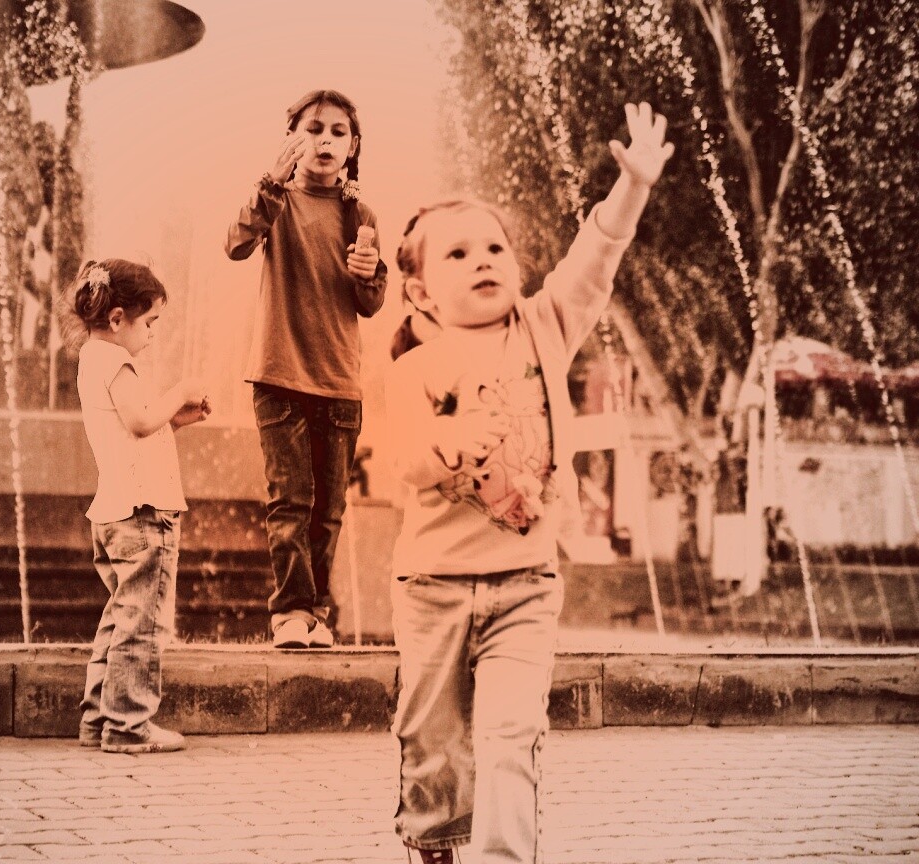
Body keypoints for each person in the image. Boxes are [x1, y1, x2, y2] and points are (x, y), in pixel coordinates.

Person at [384, 102, 674, 863]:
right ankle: (434, 844)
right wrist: (449, 444)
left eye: (494, 248)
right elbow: (402, 462)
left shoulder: (545, 327)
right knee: (433, 749)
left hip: (526, 584)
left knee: (510, 737)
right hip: (432, 587)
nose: (483, 261)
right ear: (419, 292)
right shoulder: (413, 370)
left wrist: (634, 186)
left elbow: (595, 257)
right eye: (456, 254)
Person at [225, 89, 388, 649]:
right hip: (279, 375)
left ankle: (316, 613)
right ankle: (289, 612)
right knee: (290, 500)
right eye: (313, 129)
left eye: (338, 132)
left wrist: (369, 274)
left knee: (330, 509)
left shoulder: (360, 214)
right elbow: (236, 244)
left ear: (353, 146)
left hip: (340, 380)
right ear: (292, 139)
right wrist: (269, 183)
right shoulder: (279, 201)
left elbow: (370, 303)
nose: (325, 140)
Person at [69, 258, 211, 754]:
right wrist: (181, 392)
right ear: (117, 319)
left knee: (119, 619)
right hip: (144, 513)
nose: (152, 334)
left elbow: (136, 428)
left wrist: (177, 419)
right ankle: (129, 725)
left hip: (114, 511)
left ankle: (97, 719)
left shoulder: (91, 360)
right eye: (149, 322)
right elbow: (140, 421)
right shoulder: (117, 362)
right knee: (144, 623)